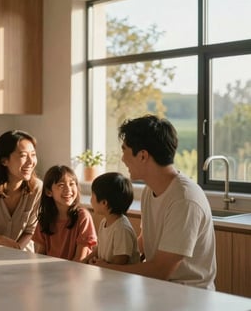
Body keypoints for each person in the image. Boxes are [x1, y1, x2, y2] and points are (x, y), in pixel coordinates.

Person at [91, 114, 216, 290]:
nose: (122, 158)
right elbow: (147, 241)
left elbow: (161, 270)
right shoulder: (150, 190)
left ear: (142, 156)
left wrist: (110, 269)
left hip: (188, 296)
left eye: (124, 149)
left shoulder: (184, 200)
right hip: (159, 290)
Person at [32, 165, 97, 262]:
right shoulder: (44, 219)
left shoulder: (83, 217)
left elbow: (80, 259)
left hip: (77, 272)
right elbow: (41, 255)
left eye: (72, 184)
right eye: (61, 185)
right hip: (51, 272)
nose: (68, 189)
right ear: (49, 192)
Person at [83, 172, 140, 266]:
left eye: (92, 196)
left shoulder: (121, 229)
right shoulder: (105, 222)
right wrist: (86, 260)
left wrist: (104, 265)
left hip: (120, 278)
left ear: (104, 203)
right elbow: (99, 248)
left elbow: (120, 261)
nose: (90, 200)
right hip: (107, 275)